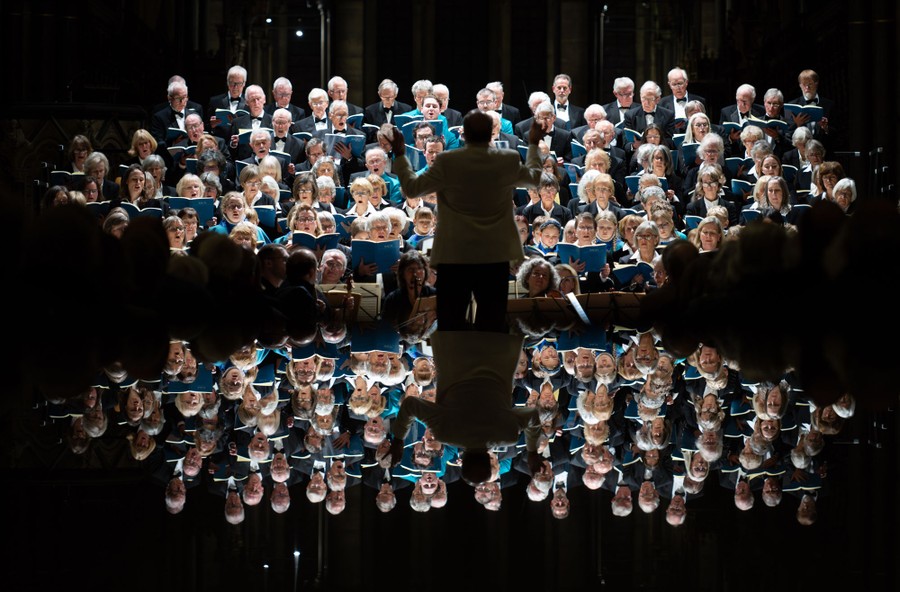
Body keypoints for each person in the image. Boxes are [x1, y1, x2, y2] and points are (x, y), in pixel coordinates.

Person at [389, 109, 544, 331]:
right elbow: (534, 177)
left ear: (464, 134)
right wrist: (534, 143)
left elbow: (412, 188)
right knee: (492, 322)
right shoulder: (507, 159)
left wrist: (401, 153)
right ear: (491, 133)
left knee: (452, 322)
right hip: (495, 253)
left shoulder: (447, 161)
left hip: (455, 253)